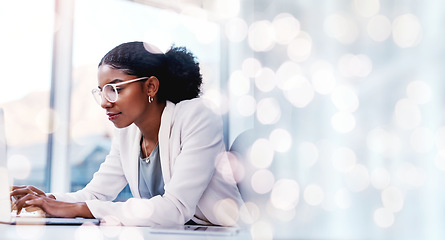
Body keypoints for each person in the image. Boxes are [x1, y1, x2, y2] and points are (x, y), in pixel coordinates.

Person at [10, 41, 244, 226]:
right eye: (101, 92)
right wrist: (46, 199)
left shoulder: (198, 116)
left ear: (150, 86)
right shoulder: (127, 133)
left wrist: (76, 208)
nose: (104, 102)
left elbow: (175, 209)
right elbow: (95, 195)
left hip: (223, 234)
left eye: (115, 89)